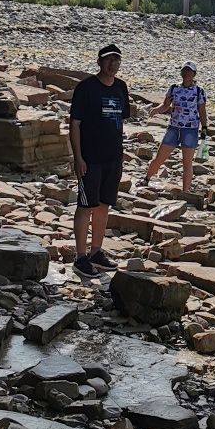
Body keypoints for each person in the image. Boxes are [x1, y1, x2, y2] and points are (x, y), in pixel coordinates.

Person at [67, 43, 133, 278]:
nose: (113, 64)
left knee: (104, 205)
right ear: (99, 62)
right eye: (108, 59)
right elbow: (74, 124)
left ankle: (96, 252)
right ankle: (80, 257)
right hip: (90, 158)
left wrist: (120, 154)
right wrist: (78, 158)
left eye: (117, 59)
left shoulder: (120, 88)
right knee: (86, 206)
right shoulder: (86, 88)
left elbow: (121, 120)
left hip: (113, 158)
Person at [143, 60, 210, 194]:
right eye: (184, 70)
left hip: (190, 129)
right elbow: (166, 105)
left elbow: (202, 111)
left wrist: (204, 127)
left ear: (194, 74)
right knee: (160, 157)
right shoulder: (174, 88)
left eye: (189, 71)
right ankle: (146, 179)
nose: (186, 73)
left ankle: (185, 192)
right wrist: (156, 110)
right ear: (181, 72)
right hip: (173, 128)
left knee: (187, 163)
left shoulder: (199, 91)